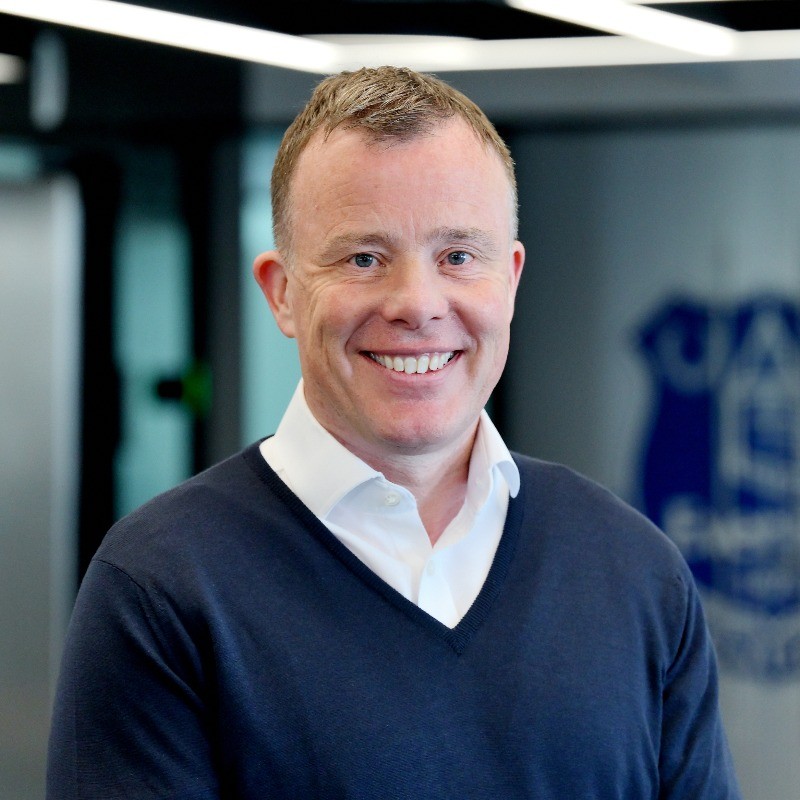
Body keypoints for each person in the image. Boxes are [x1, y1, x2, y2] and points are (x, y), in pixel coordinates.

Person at [47, 66, 741, 799]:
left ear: (509, 280)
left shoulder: (637, 574)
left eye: (457, 257)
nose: (416, 303)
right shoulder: (161, 590)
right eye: (364, 258)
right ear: (282, 293)